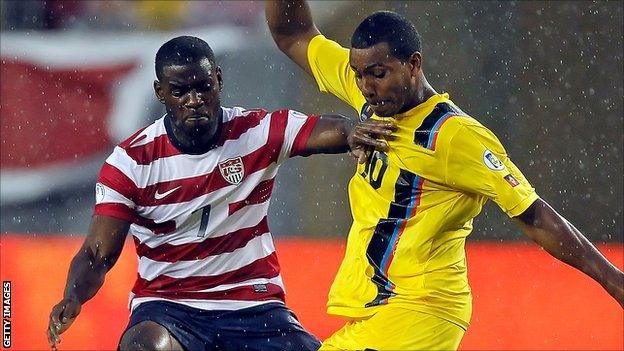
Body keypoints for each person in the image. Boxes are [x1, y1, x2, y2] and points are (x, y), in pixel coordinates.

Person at [266, 1, 624, 350]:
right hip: (383, 308)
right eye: (358, 75)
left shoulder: (455, 136)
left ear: (413, 65)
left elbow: (533, 213)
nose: (366, 85)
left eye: (378, 74)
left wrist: (614, 281)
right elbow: (292, 33)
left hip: (423, 307)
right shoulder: (372, 98)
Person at [46, 35, 391, 351]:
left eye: (204, 87)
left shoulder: (255, 131)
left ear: (220, 81)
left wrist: (351, 132)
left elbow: (319, 129)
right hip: (169, 308)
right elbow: (96, 253)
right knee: (144, 346)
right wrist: (73, 296)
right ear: (159, 92)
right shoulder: (131, 161)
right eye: (181, 91)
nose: (195, 101)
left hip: (255, 306)